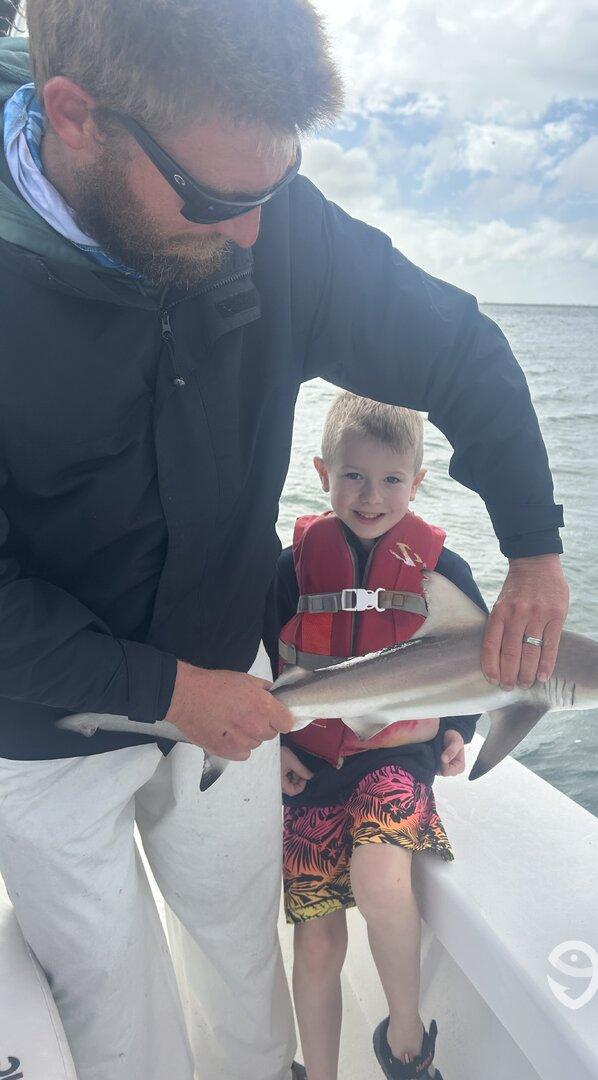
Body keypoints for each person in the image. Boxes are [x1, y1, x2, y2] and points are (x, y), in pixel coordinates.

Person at [0, 3, 568, 1079]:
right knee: (115, 1014)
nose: (255, 234)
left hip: (237, 690)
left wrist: (534, 548)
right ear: (74, 117)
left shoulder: (271, 223)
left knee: (240, 959)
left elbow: (459, 348)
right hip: (44, 722)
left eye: (274, 186)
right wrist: (166, 692)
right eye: (219, 199)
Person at [267, 393, 486, 1080]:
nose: (370, 496)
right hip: (311, 766)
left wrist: (456, 730)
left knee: (382, 878)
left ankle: (405, 1040)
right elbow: (258, 665)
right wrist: (276, 748)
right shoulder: (290, 569)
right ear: (321, 471)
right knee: (317, 941)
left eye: (392, 479)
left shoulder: (442, 571)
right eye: (353, 477)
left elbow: (474, 663)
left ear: (418, 483)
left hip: (397, 757)